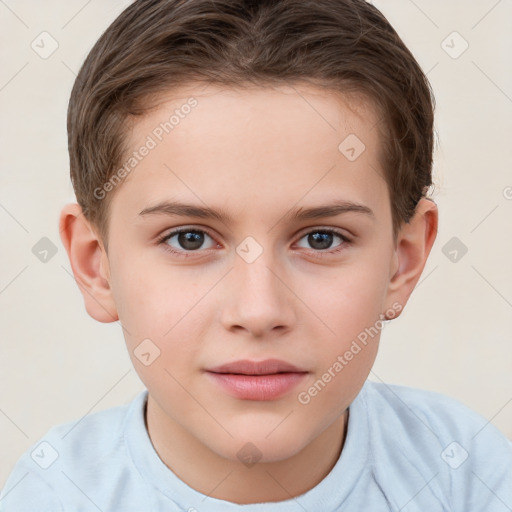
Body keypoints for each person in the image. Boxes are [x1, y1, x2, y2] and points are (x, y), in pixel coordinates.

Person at [1, 0, 511, 510]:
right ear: (97, 266)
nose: (259, 311)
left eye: (321, 239)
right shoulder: (53, 494)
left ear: (404, 259)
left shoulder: (466, 475)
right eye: (190, 239)